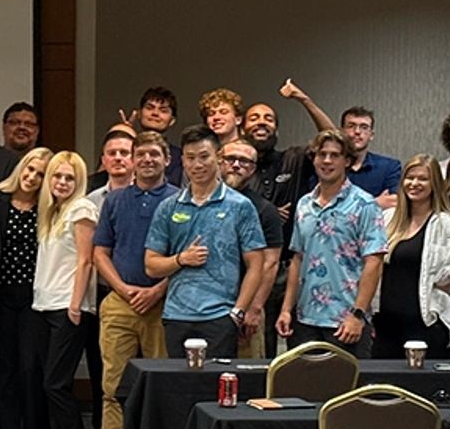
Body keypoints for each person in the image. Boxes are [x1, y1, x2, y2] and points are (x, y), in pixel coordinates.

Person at [85, 131, 177, 429]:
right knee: (113, 384)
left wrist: (155, 291)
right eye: (142, 154)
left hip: (163, 303)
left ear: (167, 159)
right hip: (120, 303)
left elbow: (184, 259)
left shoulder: (179, 200)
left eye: (155, 154)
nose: (147, 160)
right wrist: (123, 289)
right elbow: (99, 253)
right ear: (133, 160)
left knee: (160, 384)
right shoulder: (115, 201)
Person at [144, 125, 266, 359]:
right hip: (176, 315)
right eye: (190, 158)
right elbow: (151, 265)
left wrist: (238, 312)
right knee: (178, 388)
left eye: (204, 157)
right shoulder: (169, 207)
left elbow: (256, 264)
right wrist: (181, 259)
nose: (197, 165)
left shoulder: (240, 206)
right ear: (183, 161)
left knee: (217, 388)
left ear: (218, 158)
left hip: (220, 316)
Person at [241, 79, 336, 357]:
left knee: (296, 346)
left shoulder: (293, 159)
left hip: (292, 269)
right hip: (252, 270)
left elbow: (332, 139)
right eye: (255, 118)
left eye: (269, 118)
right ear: (243, 127)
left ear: (276, 128)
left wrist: (303, 99)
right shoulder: (238, 168)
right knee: (257, 344)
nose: (262, 122)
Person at [277, 130, 387, 358]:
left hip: (345, 322)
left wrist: (357, 315)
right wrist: (286, 310)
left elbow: (374, 263)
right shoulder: (304, 205)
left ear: (347, 160)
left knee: (346, 392)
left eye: (335, 155)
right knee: (302, 390)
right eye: (321, 154)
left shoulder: (364, 204)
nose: (327, 161)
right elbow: (297, 259)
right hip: (305, 320)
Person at [26, 151, 98, 429]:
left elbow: (85, 260)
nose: (63, 182)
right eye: (58, 176)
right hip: (44, 305)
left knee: (57, 383)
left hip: (68, 307)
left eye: (70, 177)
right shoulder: (52, 211)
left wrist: (75, 303)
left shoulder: (82, 210)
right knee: (48, 383)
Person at [0, 147, 53, 429]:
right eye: (29, 170)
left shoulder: (50, 209)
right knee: (4, 371)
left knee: (30, 370)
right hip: (1, 298)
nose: (32, 177)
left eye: (40, 173)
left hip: (34, 300)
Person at [374, 155, 450, 358]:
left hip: (425, 325)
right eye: (410, 178)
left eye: (423, 179)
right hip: (385, 325)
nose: (415, 183)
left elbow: (448, 276)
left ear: (435, 183)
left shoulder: (446, 224)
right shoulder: (388, 219)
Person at [220, 140, 284, 359]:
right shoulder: (198, 202)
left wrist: (254, 308)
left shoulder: (264, 210)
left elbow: (270, 263)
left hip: (246, 306)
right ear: (219, 161)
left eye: (245, 161)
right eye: (230, 159)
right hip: (208, 307)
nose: (236, 165)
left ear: (253, 169)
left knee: (246, 377)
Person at [339, 106, 402, 210]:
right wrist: (375, 203)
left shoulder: (389, 167)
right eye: (351, 126)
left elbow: (393, 202)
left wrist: (348, 208)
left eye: (364, 127)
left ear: (371, 135)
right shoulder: (331, 166)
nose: (357, 132)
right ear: (342, 132)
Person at [87, 129, 135, 198]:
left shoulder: (147, 196)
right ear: (103, 160)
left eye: (124, 153)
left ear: (135, 157)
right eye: (112, 153)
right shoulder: (92, 199)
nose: (117, 158)